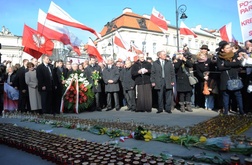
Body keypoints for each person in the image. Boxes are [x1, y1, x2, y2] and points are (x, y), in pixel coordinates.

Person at [216, 41, 244, 115]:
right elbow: (219, 67)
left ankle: (241, 111)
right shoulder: (219, 57)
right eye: (227, 48)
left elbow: (238, 63)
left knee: (238, 95)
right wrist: (232, 65)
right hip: (225, 78)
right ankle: (226, 111)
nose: (230, 49)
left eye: (230, 47)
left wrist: (226, 64)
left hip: (234, 77)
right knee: (226, 95)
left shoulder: (234, 55)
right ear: (222, 49)